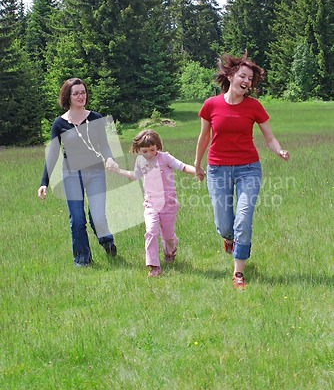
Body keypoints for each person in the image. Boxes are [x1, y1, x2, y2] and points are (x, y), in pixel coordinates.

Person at [194, 53, 290, 288]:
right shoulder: (211, 104)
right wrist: (197, 165)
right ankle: (229, 239)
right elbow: (203, 137)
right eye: (242, 76)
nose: (246, 81)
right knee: (225, 225)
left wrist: (279, 150)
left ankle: (238, 273)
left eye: (250, 79)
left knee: (244, 218)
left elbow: (270, 137)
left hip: (249, 169)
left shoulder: (254, 106)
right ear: (230, 76)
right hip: (217, 169)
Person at [38, 77, 118, 267]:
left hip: (96, 172)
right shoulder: (59, 124)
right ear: (68, 97)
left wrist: (110, 158)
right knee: (77, 219)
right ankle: (82, 260)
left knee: (97, 216)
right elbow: (53, 154)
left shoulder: (96, 118)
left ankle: (107, 242)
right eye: (76, 93)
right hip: (72, 174)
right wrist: (44, 182)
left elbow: (105, 146)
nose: (81, 96)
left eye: (83, 92)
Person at [108, 129, 204, 277]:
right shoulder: (140, 161)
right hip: (150, 204)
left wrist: (197, 171)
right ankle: (154, 266)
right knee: (151, 232)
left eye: (152, 150)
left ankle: (170, 251)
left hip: (168, 205)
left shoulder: (165, 158)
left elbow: (183, 166)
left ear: (157, 147)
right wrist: (117, 170)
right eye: (144, 151)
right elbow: (134, 176)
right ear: (138, 150)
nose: (148, 154)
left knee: (168, 236)